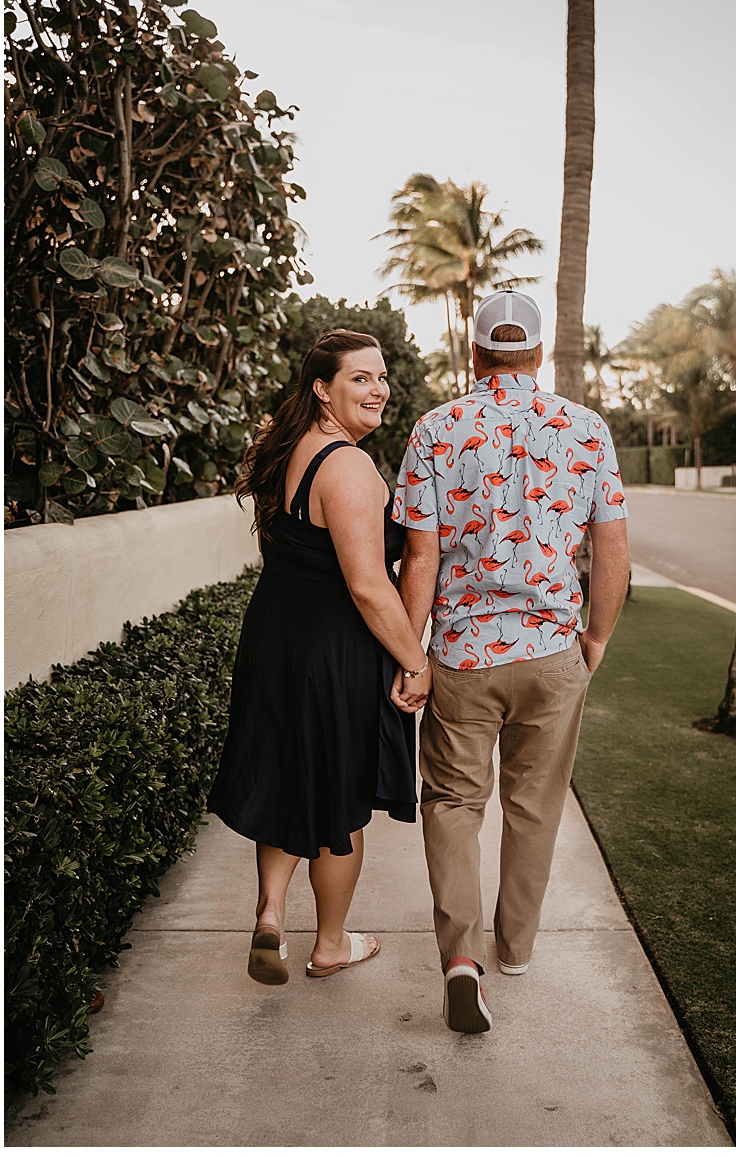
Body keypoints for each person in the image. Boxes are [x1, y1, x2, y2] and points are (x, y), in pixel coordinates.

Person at [392, 290, 630, 1034]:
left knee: (453, 803)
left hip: (463, 656)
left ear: (475, 353)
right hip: (553, 651)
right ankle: (516, 948)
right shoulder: (585, 428)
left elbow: (420, 558)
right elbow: (612, 546)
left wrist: (411, 654)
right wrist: (596, 638)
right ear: (538, 353)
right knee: (535, 804)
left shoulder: (437, 428)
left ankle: (462, 959)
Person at [209, 329, 428, 984]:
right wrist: (415, 661)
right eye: (360, 378)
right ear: (323, 389)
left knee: (286, 773)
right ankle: (330, 943)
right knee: (340, 795)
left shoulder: (287, 449)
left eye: (380, 376)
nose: (378, 388)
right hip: (332, 652)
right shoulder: (348, 467)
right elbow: (368, 586)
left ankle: (271, 914)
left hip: (274, 637)